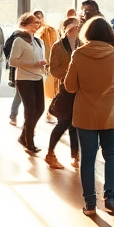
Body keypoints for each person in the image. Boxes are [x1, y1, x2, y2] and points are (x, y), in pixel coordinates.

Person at [64, 17, 114, 217]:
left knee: (87, 158)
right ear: (109, 33)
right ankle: (110, 199)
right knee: (112, 155)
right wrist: (112, 91)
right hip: (111, 112)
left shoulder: (78, 54)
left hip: (85, 113)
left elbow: (69, 86)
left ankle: (90, 203)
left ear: (87, 33)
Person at [45, 17, 81, 170]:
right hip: (65, 89)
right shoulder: (58, 46)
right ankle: (50, 152)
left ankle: (75, 155)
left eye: (78, 27)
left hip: (80, 90)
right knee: (63, 123)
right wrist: (71, 75)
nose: (76, 30)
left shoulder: (82, 44)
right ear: (66, 29)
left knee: (75, 124)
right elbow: (54, 69)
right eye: (73, 27)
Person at [10, 13, 48, 154]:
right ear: (25, 24)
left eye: (38, 22)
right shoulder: (19, 41)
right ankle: (29, 142)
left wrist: (43, 64)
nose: (37, 25)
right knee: (30, 110)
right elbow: (12, 61)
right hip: (24, 79)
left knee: (40, 109)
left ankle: (23, 136)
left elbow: (41, 57)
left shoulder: (39, 41)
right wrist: (32, 64)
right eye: (34, 22)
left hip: (38, 77)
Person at [37, 16, 61, 115]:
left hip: (44, 69)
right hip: (50, 68)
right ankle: (49, 112)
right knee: (52, 92)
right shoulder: (53, 41)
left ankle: (48, 112)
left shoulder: (40, 37)